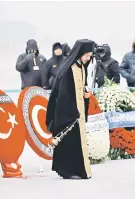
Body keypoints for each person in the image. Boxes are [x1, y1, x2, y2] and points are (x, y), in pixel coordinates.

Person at [46, 39, 95, 179]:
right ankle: (67, 171)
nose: (88, 58)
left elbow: (81, 89)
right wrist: (72, 112)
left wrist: (86, 95)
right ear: (80, 53)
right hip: (67, 113)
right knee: (68, 142)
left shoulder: (82, 67)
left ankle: (78, 170)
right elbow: (63, 95)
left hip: (76, 112)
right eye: (87, 55)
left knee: (76, 142)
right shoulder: (68, 70)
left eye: (90, 55)